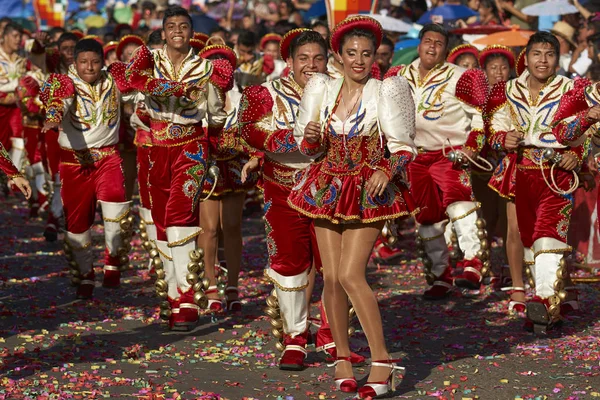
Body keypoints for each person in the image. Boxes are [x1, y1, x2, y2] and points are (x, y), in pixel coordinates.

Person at [288, 16, 417, 397]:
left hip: (367, 189)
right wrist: (311, 137)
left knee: (350, 275)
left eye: (366, 53)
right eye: (351, 53)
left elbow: (405, 145)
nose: (359, 60)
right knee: (330, 277)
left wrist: (387, 171)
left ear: (374, 55)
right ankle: (342, 357)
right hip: (327, 185)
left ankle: (382, 360)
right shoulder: (322, 89)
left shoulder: (385, 90)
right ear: (338, 56)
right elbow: (308, 148)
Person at [239, 28, 365, 371]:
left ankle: (332, 336)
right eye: (303, 58)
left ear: (329, 60)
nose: (311, 64)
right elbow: (251, 131)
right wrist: (297, 138)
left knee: (335, 267)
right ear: (289, 61)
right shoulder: (264, 93)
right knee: (290, 264)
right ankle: (295, 338)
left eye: (318, 58)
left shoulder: (345, 91)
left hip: (330, 188)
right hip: (282, 188)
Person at [126, 6, 233, 331]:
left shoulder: (206, 67)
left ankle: (186, 297)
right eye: (171, 25)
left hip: (189, 147)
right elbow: (132, 102)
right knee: (159, 221)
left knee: (180, 216)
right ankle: (173, 292)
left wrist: (212, 145)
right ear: (163, 30)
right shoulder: (147, 62)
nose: (177, 31)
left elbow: (215, 113)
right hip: (154, 150)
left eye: (183, 26)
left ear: (191, 32)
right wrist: (141, 117)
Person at [486, 31, 598, 333]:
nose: (543, 60)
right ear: (527, 56)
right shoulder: (508, 90)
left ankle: (545, 299)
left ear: (557, 58)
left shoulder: (572, 89)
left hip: (556, 173)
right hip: (520, 170)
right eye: (537, 53)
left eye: (550, 54)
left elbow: (588, 130)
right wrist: (502, 138)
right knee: (528, 238)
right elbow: (494, 127)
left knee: (549, 233)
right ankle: (547, 302)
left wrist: (577, 154)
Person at [390, 23, 491, 298]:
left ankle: (473, 263)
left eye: (438, 43)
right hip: (415, 156)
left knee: (460, 204)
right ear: (419, 44)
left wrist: (472, 147)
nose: (432, 46)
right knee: (426, 218)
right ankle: (439, 277)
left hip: (450, 154)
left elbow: (480, 117)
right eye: (428, 41)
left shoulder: (461, 77)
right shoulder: (399, 76)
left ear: (446, 50)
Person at [39, 39, 135, 299]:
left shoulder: (114, 78)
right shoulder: (65, 82)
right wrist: (52, 118)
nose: (89, 67)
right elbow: (60, 103)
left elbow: (137, 95)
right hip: (74, 162)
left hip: (108, 157)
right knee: (77, 226)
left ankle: (112, 260)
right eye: (84, 62)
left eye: (94, 62)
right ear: (75, 62)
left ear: (103, 61)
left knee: (116, 207)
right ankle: (86, 275)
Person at [196, 42, 257, 313]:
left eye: (225, 67)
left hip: (235, 166)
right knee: (209, 228)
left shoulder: (243, 97)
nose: (221, 72)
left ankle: (232, 285)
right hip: (208, 165)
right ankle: (211, 285)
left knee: (231, 225)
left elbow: (253, 130)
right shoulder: (197, 96)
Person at [481, 45, 527, 311]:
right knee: (493, 222)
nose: (498, 72)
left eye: (503, 67)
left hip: (515, 165)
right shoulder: (476, 96)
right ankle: (492, 268)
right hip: (485, 168)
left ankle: (533, 280)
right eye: (492, 67)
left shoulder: (516, 92)